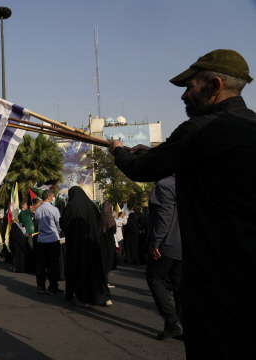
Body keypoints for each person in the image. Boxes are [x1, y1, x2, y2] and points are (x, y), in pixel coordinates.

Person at [108, 49, 256, 358]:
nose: (184, 96)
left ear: (214, 85)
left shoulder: (201, 129)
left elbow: (140, 170)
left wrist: (118, 149)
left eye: (190, 87)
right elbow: (204, 162)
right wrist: (150, 151)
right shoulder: (248, 126)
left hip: (214, 278)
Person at [145, 175, 182, 340]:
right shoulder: (182, 182)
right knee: (179, 284)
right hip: (181, 244)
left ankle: (172, 322)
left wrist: (156, 242)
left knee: (154, 278)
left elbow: (164, 216)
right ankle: (180, 325)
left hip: (166, 244)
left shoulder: (163, 185)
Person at [60, 186, 111, 307]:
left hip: (77, 245)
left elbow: (64, 223)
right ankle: (102, 296)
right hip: (93, 243)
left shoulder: (72, 206)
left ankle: (83, 298)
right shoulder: (92, 206)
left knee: (80, 270)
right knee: (96, 269)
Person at [33, 189, 63, 295]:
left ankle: (41, 286)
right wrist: (57, 232)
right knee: (53, 265)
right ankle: (52, 287)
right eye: (53, 196)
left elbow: (36, 224)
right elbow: (58, 224)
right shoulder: (54, 209)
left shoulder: (38, 210)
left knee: (41, 264)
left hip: (41, 239)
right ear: (49, 197)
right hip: (53, 239)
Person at [99, 202, 116, 290]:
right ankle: (106, 282)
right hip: (109, 242)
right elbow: (113, 230)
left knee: (102, 262)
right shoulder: (110, 218)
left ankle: (103, 281)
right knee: (108, 263)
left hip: (100, 241)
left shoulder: (99, 216)